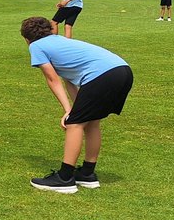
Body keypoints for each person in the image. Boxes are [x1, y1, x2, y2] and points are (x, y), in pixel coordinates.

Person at [20, 16, 133, 193]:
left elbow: (52, 79)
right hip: (122, 71)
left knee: (75, 124)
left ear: (26, 39)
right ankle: (87, 174)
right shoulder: (59, 41)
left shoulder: (36, 46)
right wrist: (71, 109)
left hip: (102, 75)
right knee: (92, 122)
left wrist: (69, 113)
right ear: (50, 30)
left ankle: (65, 178)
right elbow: (70, 80)